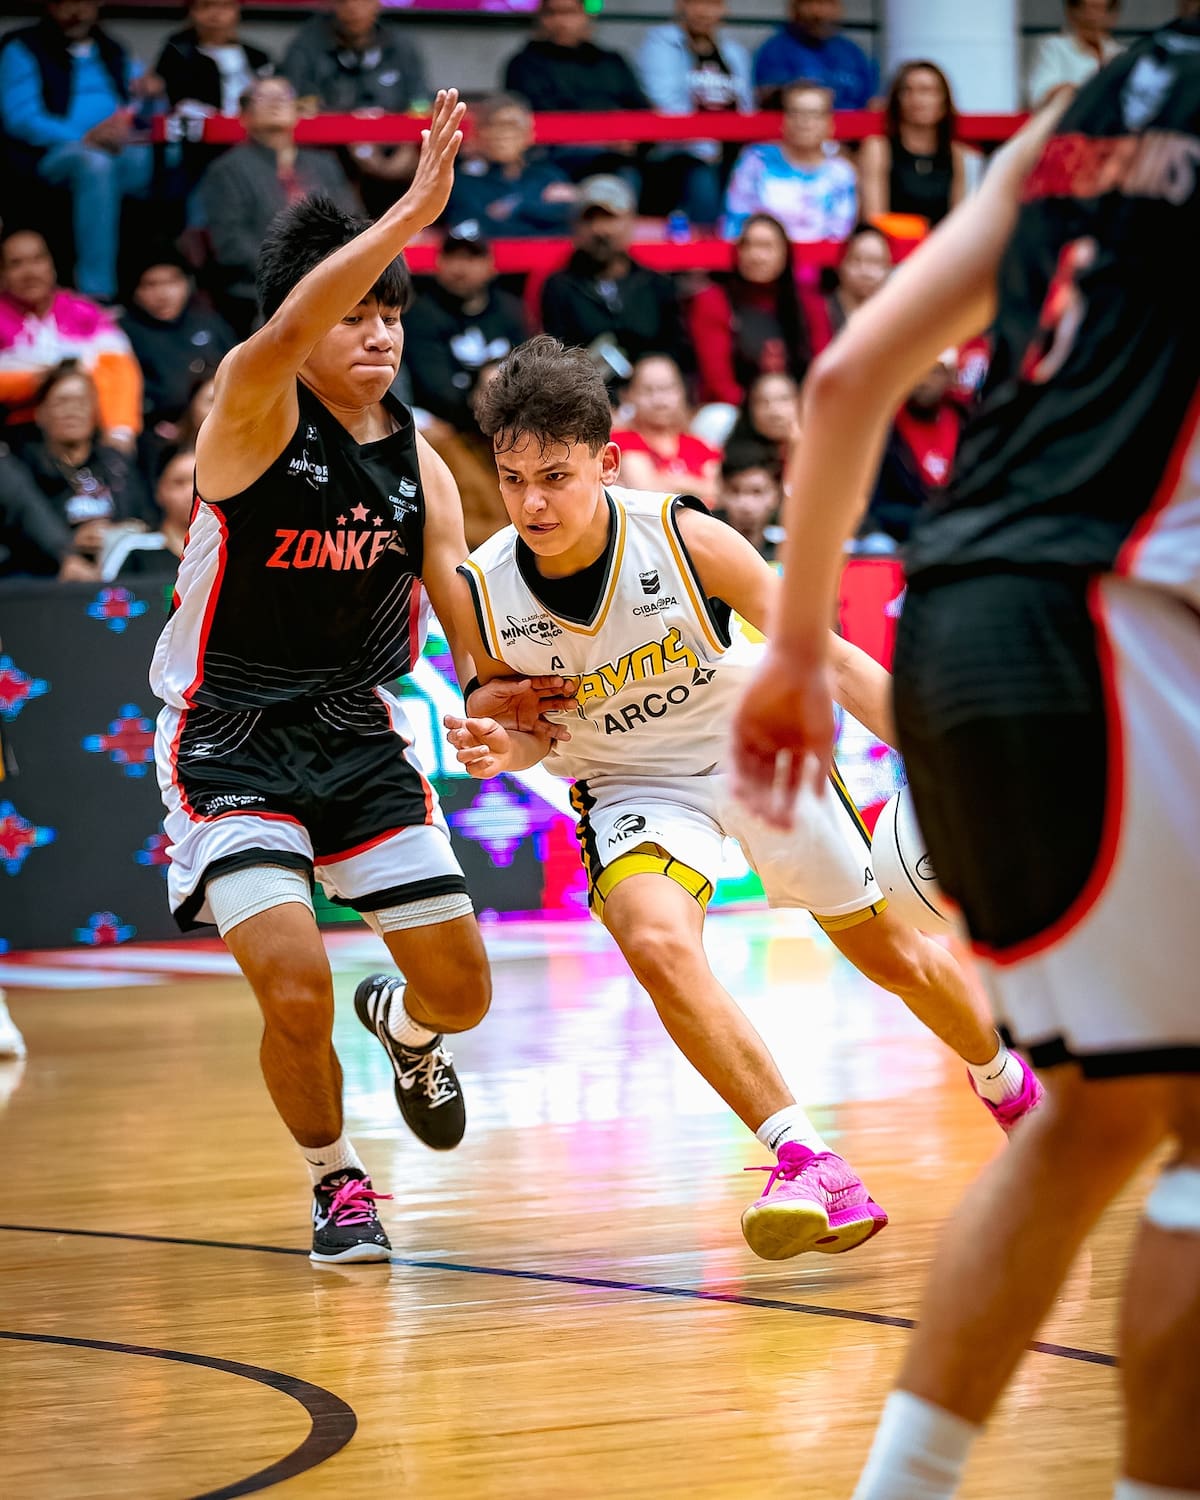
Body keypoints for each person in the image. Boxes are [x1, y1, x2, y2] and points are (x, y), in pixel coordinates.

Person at [730, 16, 1200, 1498]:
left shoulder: (1088, 109)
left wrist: (800, 651)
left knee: (1105, 1118)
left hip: (957, 626)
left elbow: (851, 373)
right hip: (1109, 623)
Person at [446, 335, 1041, 1260]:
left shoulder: (689, 539)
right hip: (630, 781)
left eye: (554, 476)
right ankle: (805, 1159)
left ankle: (1009, 1088)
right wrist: (497, 746)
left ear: (606, 462)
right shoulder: (485, 587)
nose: (530, 501)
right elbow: (524, 726)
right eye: (513, 476)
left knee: (893, 956)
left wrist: (943, 759)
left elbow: (833, 660)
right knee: (652, 941)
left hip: (757, 748)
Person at [149, 92, 533, 1265]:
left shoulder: (417, 451)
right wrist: (410, 212)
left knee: (463, 991)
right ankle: (336, 1181)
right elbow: (273, 337)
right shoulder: (253, 413)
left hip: (360, 738)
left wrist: (487, 692)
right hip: (230, 738)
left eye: (392, 315)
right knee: (295, 984)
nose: (378, 333)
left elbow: (454, 580)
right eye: (354, 313)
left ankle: (408, 1031)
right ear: (301, 326)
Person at [0, 0, 159, 303]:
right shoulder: (22, 47)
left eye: (83, 2)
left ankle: (152, 275)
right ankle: (96, 291)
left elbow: (134, 98)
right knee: (95, 165)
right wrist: (84, 137)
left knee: (154, 156)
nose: (75, 10)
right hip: (50, 155)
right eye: (65, 2)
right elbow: (20, 116)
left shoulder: (112, 48)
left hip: (113, 148)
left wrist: (145, 99)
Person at [199, 76, 358, 335]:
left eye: (283, 97)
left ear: (297, 111)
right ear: (244, 115)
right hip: (260, 290)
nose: (275, 104)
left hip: (330, 282)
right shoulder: (227, 170)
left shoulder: (324, 164)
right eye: (264, 98)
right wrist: (293, 273)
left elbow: (351, 221)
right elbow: (230, 244)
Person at [403, 224, 528, 546]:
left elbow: (532, 372)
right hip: (451, 427)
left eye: (471, 258)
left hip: (508, 426)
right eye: (452, 257)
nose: (461, 267)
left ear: (490, 265)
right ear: (439, 263)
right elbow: (434, 390)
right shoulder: (421, 314)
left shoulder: (510, 310)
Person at [0, 228, 143, 449]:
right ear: (2, 274)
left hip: (92, 435)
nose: (29, 272)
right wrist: (37, 380)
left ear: (52, 265)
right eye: (16, 263)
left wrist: (119, 431)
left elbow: (119, 370)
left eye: (38, 259)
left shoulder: (85, 312)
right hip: (17, 437)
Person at [282, 0, 429, 212]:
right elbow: (302, 105)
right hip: (333, 153)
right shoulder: (307, 45)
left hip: (395, 149)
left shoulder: (400, 45)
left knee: (433, 166)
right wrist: (352, 138)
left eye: (362, 1)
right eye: (344, 2)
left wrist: (408, 147)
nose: (353, 8)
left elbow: (420, 101)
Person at [541, 176, 692, 380]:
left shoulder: (657, 285)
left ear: (631, 221)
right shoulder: (559, 288)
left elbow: (676, 355)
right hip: (585, 399)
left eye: (610, 218)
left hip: (649, 397)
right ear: (575, 226)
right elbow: (556, 359)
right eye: (590, 219)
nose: (600, 229)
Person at [18, 362, 153, 568]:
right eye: (61, 402)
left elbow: (147, 519)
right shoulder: (24, 465)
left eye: (82, 402)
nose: (72, 411)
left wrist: (122, 532)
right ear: (40, 413)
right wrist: (68, 541)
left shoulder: (116, 462)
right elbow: (22, 527)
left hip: (120, 572)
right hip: (50, 577)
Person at [635, 0, 754, 227]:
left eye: (712, 4)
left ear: (723, 9)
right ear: (680, 5)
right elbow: (666, 106)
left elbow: (747, 108)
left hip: (732, 150)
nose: (703, 11)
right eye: (695, 2)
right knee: (701, 174)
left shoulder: (734, 53)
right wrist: (707, 141)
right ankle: (705, 255)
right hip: (680, 152)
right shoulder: (660, 44)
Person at [503, 0, 648, 184]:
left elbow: (640, 110)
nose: (561, 22)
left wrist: (630, 138)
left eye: (570, 13)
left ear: (586, 15)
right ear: (540, 18)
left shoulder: (613, 63)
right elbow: (535, 117)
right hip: (552, 160)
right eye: (552, 14)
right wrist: (603, 137)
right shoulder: (523, 65)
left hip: (616, 159)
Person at [687, 213, 811, 406]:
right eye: (748, 245)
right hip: (734, 411)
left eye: (766, 247)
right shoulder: (713, 301)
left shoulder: (803, 302)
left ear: (785, 253)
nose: (756, 256)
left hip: (795, 409)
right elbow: (720, 386)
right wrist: (760, 413)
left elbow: (820, 368)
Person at [722, 82, 858, 245]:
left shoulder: (841, 173)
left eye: (814, 114)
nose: (804, 122)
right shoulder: (756, 161)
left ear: (829, 123)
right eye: (795, 113)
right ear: (784, 119)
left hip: (822, 268)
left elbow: (840, 235)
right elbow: (735, 225)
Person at [119, 249, 235, 434]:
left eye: (172, 281)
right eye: (151, 284)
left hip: (221, 425)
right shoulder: (123, 334)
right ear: (135, 290)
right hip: (155, 435)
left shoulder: (208, 321)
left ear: (187, 283)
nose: (163, 294)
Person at [858, 353, 963, 548]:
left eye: (934, 372)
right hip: (897, 536)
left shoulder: (966, 424)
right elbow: (873, 504)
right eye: (917, 370)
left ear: (950, 377)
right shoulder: (884, 428)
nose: (924, 380)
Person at [858, 61, 975, 228]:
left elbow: (958, 218)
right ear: (896, 98)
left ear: (944, 100)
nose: (917, 99)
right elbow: (874, 218)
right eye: (907, 91)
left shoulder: (954, 152)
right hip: (890, 245)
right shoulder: (878, 148)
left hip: (941, 247)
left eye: (927, 91)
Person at [442, 94, 577, 240]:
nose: (503, 135)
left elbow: (565, 224)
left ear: (529, 134)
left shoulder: (548, 176)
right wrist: (537, 209)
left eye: (512, 126)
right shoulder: (461, 184)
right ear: (478, 134)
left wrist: (517, 205)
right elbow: (472, 231)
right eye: (494, 126)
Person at [611, 354, 722, 507]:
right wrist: (695, 486)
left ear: (682, 392)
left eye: (667, 389)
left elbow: (717, 493)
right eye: (648, 390)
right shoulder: (620, 440)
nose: (659, 400)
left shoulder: (701, 445)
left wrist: (668, 481)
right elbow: (646, 491)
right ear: (629, 396)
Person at [753, 0, 879, 110]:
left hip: (851, 133)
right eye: (811, 3)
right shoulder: (774, 51)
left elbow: (870, 101)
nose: (819, 13)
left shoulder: (853, 52)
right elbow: (764, 98)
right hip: (795, 133)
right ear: (794, 8)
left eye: (828, 3)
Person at [156, 0, 273, 117]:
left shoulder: (257, 56)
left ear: (237, 10)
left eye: (225, 6)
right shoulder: (177, 52)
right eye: (206, 5)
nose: (215, 13)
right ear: (192, 10)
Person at [102, 443, 194, 578]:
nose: (191, 493)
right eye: (178, 483)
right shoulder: (133, 548)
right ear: (159, 491)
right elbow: (107, 595)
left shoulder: (225, 550)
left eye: (198, 482)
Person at [804, 220, 892, 354]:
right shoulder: (820, 309)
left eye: (875, 262)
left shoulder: (895, 314)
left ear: (888, 269)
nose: (866, 271)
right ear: (841, 265)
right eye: (857, 260)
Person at [1027, 0, 1123, 108]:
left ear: (1113, 15)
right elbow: (1039, 96)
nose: (1092, 16)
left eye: (1099, 8)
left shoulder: (1120, 54)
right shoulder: (1053, 47)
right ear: (1071, 12)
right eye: (1085, 7)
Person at [713, 441, 783, 559]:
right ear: (722, 493)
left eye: (756, 492)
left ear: (775, 495)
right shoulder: (704, 549)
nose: (745, 504)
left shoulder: (786, 553)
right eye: (735, 491)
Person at [727, 370, 801, 471]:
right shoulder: (739, 461)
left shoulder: (819, 446)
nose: (774, 412)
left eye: (783, 399)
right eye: (763, 402)